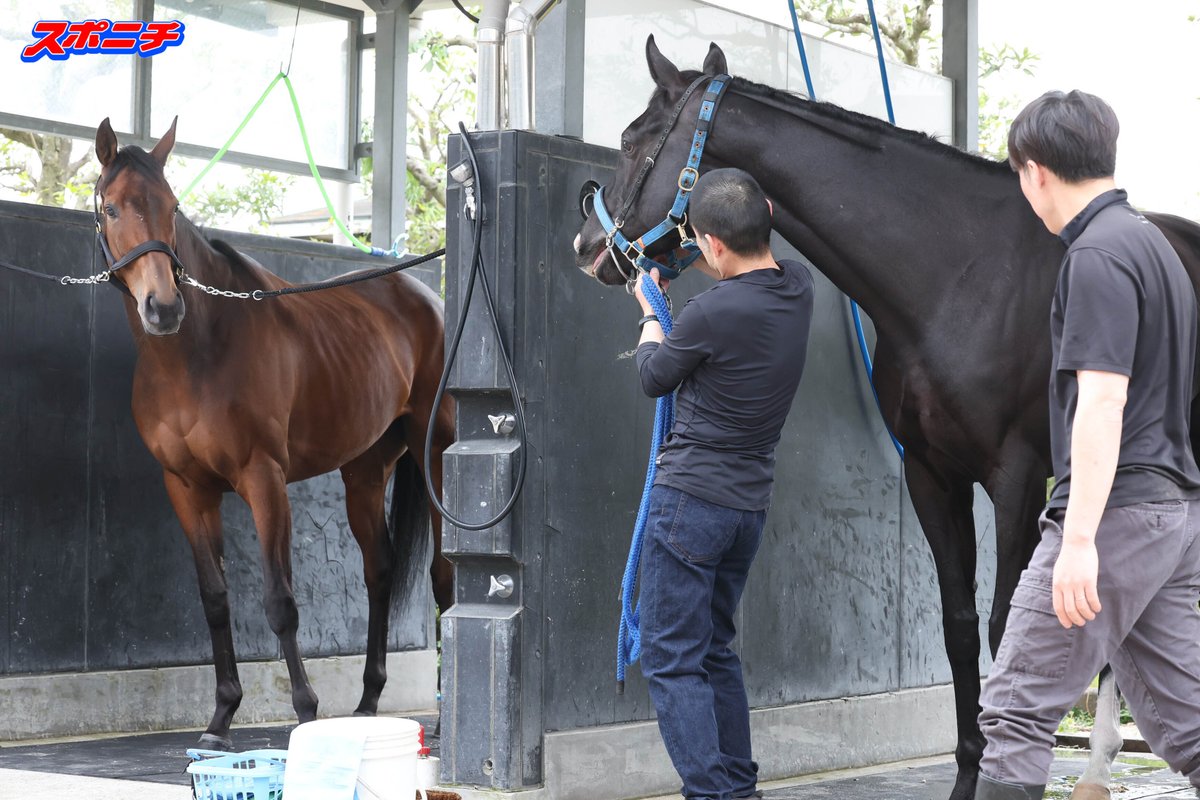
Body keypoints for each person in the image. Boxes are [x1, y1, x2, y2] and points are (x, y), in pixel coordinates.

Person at [975, 90, 1200, 800]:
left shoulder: (1097, 257)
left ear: (1034, 170)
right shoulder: (1152, 246)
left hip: (1114, 519)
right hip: (1169, 519)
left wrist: (1078, 541)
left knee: (1013, 712)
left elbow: (1104, 401)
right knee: (1189, 726)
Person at [631, 167, 814, 800]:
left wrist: (652, 314)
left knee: (671, 658)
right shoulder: (800, 287)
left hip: (689, 505)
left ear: (710, 246)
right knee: (714, 650)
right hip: (746, 510)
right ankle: (740, 789)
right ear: (766, 212)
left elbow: (654, 376)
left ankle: (713, 796)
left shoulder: (709, 312)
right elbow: (753, 242)